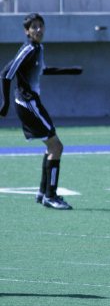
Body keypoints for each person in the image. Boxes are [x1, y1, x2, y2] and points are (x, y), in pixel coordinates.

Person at [0, 12, 82, 210]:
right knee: (57, 147)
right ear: (27, 31)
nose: (38, 29)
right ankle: (51, 196)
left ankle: (43, 193)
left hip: (31, 102)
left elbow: (41, 70)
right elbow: (5, 74)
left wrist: (69, 70)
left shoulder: (37, 48)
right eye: (34, 27)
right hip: (28, 103)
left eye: (40, 26)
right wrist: (4, 105)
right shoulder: (28, 48)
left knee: (51, 147)